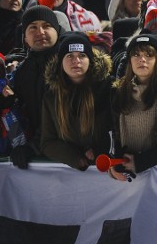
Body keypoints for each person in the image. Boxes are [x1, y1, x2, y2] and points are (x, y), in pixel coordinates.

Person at [108, 33, 157, 180]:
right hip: (127, 173)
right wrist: (114, 162)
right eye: (136, 55)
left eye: (149, 55)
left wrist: (141, 162)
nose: (142, 59)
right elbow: (111, 133)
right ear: (130, 60)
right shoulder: (116, 91)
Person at [40, 32, 112, 170]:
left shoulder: (108, 89)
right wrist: (74, 157)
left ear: (90, 60)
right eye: (69, 56)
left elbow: (117, 130)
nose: (76, 61)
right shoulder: (51, 97)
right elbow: (47, 142)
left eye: (82, 56)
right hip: (71, 172)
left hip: (105, 166)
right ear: (61, 62)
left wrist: (100, 151)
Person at [9, 6, 64, 168]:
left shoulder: (70, 64)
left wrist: (33, 147)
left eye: (46, 26)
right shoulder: (22, 72)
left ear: (57, 31)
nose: (40, 32)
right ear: (25, 37)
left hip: (69, 150)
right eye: (33, 27)